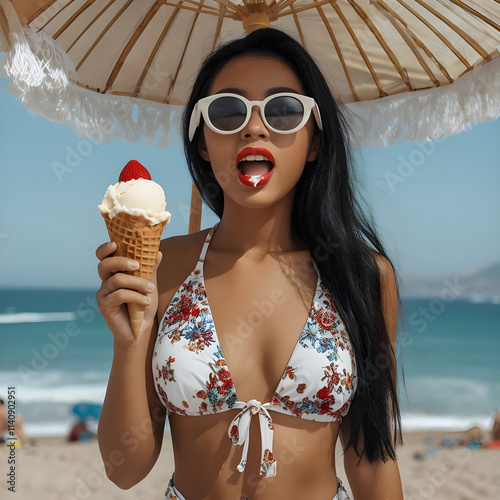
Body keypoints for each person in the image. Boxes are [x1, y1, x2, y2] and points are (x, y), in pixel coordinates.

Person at [96, 28, 404, 500]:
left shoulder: (365, 276)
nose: (254, 127)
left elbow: (372, 461)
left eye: (283, 110)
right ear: (202, 143)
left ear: (315, 142)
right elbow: (125, 468)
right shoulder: (162, 266)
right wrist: (128, 342)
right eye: (226, 110)